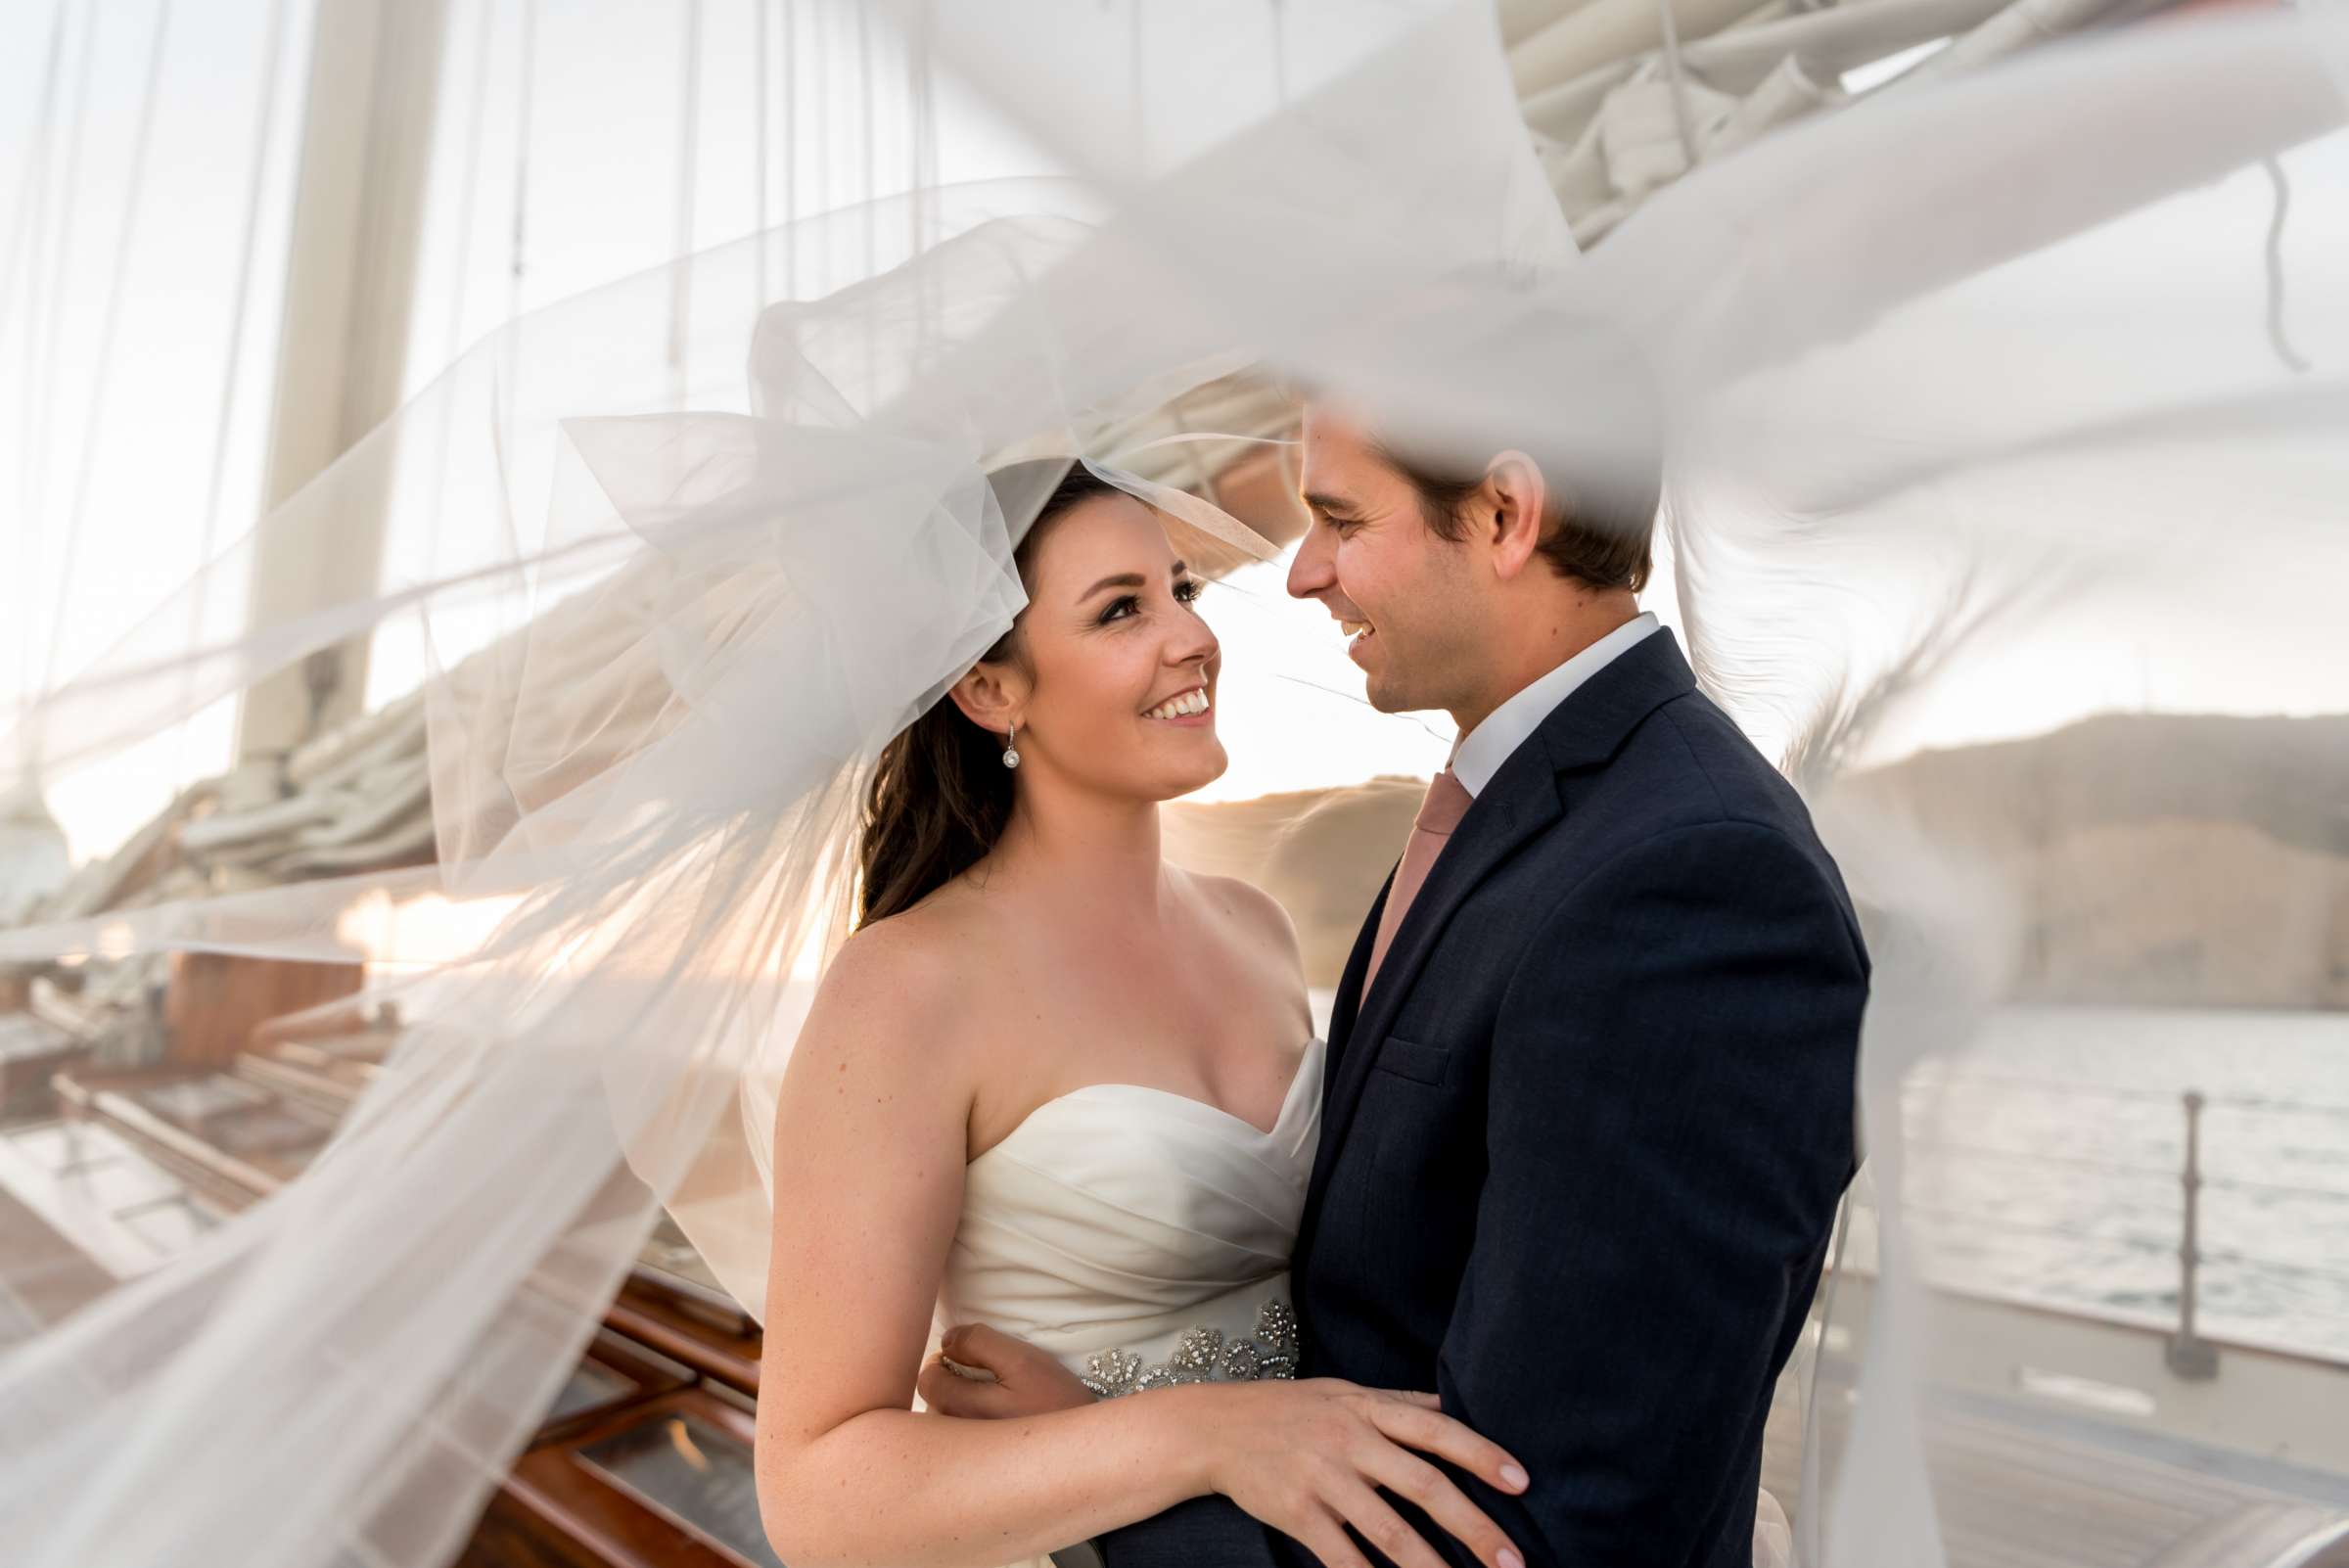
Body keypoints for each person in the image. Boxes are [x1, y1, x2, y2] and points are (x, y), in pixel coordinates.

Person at [752, 461, 1535, 1568]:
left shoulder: (1253, 929)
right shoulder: (907, 989)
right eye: (1122, 610)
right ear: (990, 692)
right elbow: (817, 1495)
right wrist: (1197, 1436)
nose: (1190, 638)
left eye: (1183, 592)